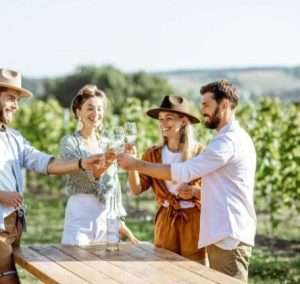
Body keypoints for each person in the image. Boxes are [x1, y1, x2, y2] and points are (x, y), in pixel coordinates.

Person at [117, 80, 256, 283]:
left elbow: (185, 171)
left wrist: (135, 164)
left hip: (227, 234)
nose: (203, 110)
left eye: (206, 105)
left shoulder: (226, 142)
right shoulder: (226, 139)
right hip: (218, 232)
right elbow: (218, 188)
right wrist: (135, 165)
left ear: (224, 105)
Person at [0, 69, 105, 284]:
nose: (16, 105)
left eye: (18, 100)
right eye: (11, 98)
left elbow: (42, 162)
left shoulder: (13, 138)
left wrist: (80, 163)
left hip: (12, 224)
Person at [124, 95, 205, 262]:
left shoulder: (200, 153)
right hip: (166, 221)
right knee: (164, 271)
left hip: (194, 222)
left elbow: (213, 192)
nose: (163, 124)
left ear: (183, 121)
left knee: (196, 273)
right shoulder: (153, 154)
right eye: (160, 119)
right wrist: (132, 165)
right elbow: (136, 189)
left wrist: (195, 191)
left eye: (169, 118)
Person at [60, 85, 138, 246]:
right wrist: (108, 161)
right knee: (76, 267)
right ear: (77, 112)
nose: (96, 114)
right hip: (80, 216)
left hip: (106, 219)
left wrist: (120, 223)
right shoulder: (69, 142)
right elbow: (83, 179)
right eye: (90, 108)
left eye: (100, 109)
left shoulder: (108, 143)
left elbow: (113, 188)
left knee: (103, 269)